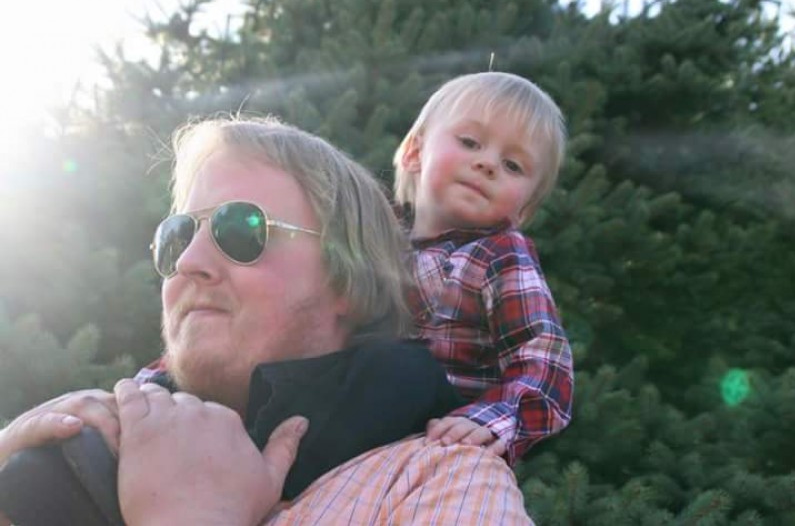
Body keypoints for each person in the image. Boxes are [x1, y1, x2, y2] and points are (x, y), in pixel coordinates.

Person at [0, 116, 535, 525]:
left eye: (240, 230)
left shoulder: (441, 480)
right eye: (178, 236)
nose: (188, 262)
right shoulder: (89, 456)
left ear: (347, 280)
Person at [392, 72, 574, 465]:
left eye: (512, 165)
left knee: (400, 363)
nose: (488, 163)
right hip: (359, 401)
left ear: (523, 209)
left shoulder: (501, 254)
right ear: (415, 152)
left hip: (442, 431)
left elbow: (545, 360)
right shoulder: (376, 237)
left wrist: (493, 419)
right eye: (470, 142)